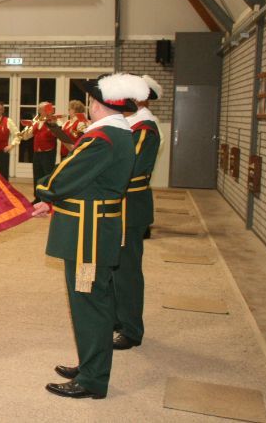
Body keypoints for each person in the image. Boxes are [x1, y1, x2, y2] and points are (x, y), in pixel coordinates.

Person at [32, 72, 148, 399]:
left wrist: (44, 191)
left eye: (91, 101)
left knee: (90, 303)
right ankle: (89, 364)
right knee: (93, 301)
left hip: (88, 237)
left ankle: (93, 378)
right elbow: (88, 182)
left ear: (97, 104)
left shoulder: (103, 138)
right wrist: (51, 202)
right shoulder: (118, 133)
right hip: (94, 229)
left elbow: (66, 174)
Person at [112, 75, 162, 351]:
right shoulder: (129, 124)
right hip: (119, 204)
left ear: (141, 99)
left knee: (127, 270)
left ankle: (131, 329)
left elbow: (128, 168)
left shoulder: (145, 128)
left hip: (129, 206)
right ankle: (118, 319)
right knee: (115, 267)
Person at [21, 101, 57, 202]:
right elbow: (26, 137)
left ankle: (47, 199)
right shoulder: (36, 121)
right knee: (37, 175)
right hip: (37, 152)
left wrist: (53, 124)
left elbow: (57, 134)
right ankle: (37, 198)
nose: (40, 111)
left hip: (48, 152)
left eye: (41, 109)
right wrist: (27, 128)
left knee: (47, 176)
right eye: (40, 109)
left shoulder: (53, 120)